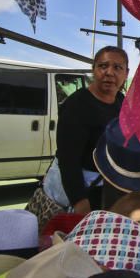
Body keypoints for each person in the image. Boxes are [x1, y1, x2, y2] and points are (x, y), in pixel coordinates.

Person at [49, 46, 129, 214]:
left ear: (126, 73)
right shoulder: (77, 105)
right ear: (94, 70)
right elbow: (68, 160)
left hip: (105, 188)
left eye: (117, 67)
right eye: (103, 66)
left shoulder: (121, 102)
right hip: (78, 192)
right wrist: (79, 201)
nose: (109, 72)